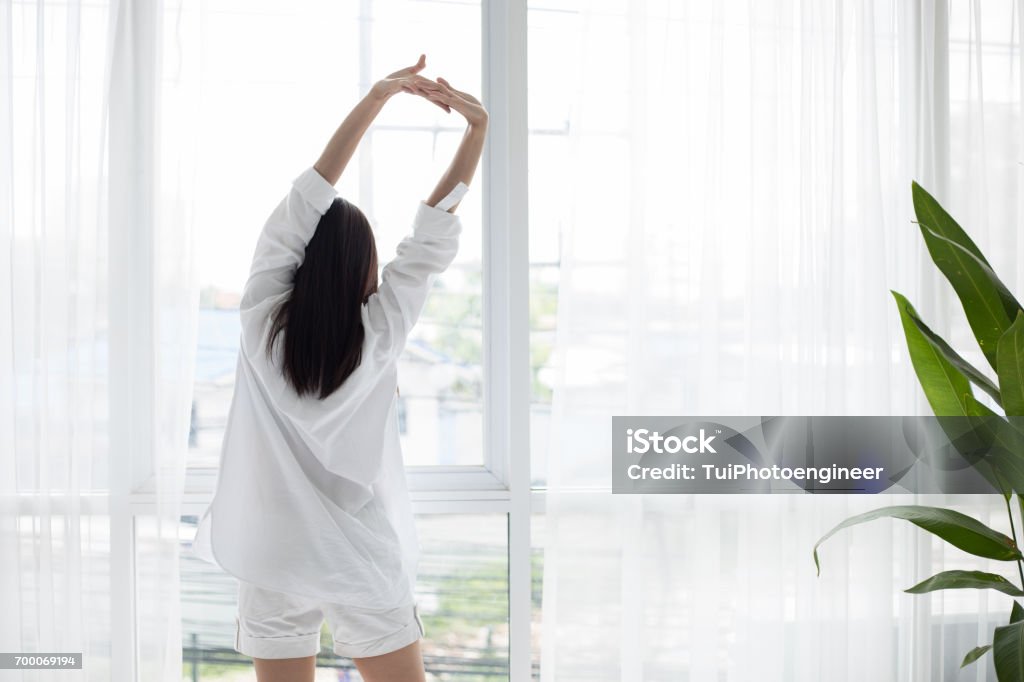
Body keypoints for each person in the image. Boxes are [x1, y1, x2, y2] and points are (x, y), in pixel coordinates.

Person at [189, 54, 488, 682]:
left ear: (299, 259)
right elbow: (430, 239)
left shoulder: (258, 318)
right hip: (356, 554)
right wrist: (476, 131)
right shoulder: (380, 333)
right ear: (363, 266)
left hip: (269, 550)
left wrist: (377, 99)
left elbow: (304, 201)